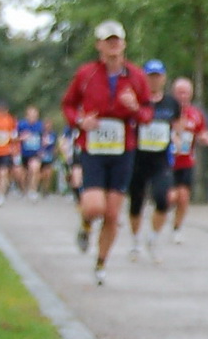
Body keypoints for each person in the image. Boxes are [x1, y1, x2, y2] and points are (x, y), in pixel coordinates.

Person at [61, 19, 154, 285]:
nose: (113, 45)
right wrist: (80, 121)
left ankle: (100, 263)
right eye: (108, 40)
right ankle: (86, 225)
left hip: (123, 150)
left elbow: (148, 114)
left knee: (113, 214)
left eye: (117, 40)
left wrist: (135, 107)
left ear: (124, 44)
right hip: (93, 148)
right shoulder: (86, 74)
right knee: (93, 206)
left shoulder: (136, 77)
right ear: (99, 45)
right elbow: (68, 105)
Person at [125, 60, 181, 262]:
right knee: (136, 201)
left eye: (158, 76)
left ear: (164, 78)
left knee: (163, 199)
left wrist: (176, 137)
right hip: (138, 157)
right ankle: (135, 242)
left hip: (160, 159)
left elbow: (177, 124)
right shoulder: (137, 101)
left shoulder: (171, 103)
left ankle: (153, 238)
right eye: (150, 76)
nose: (154, 80)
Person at [168, 76, 208, 243]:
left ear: (191, 94)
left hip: (186, 161)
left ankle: (177, 228)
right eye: (179, 93)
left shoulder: (195, 114)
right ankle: (161, 215)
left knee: (184, 198)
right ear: (173, 93)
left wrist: (206, 138)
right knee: (171, 197)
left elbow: (203, 132)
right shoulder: (166, 110)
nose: (182, 96)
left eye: (185, 93)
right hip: (167, 162)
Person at [18, 105, 50, 200]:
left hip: (36, 153)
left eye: (35, 115)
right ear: (27, 115)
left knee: (35, 170)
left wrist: (44, 145)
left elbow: (45, 138)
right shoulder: (21, 125)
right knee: (22, 175)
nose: (33, 117)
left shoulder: (40, 126)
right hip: (23, 153)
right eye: (31, 115)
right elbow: (14, 138)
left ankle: (33, 190)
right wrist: (21, 138)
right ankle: (24, 190)